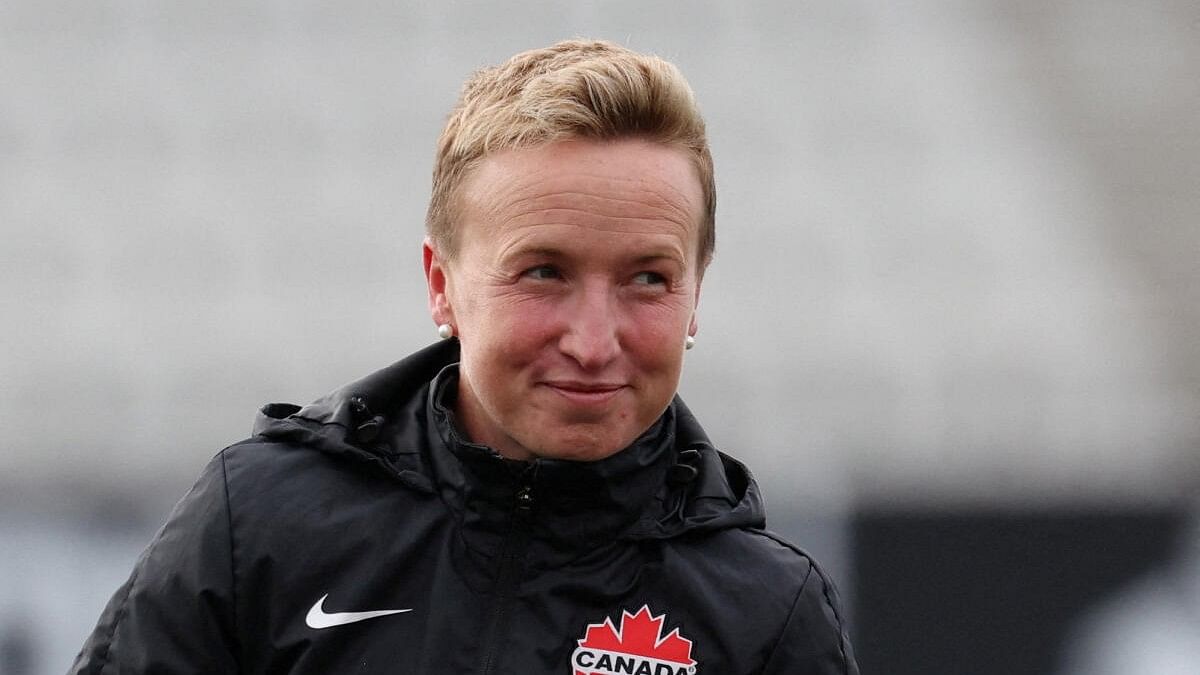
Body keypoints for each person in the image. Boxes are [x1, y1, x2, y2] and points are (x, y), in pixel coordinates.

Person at [71, 39, 858, 674]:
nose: (592, 341)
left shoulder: (767, 613)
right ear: (441, 284)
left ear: (696, 293)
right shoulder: (261, 525)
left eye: (647, 279)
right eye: (543, 272)